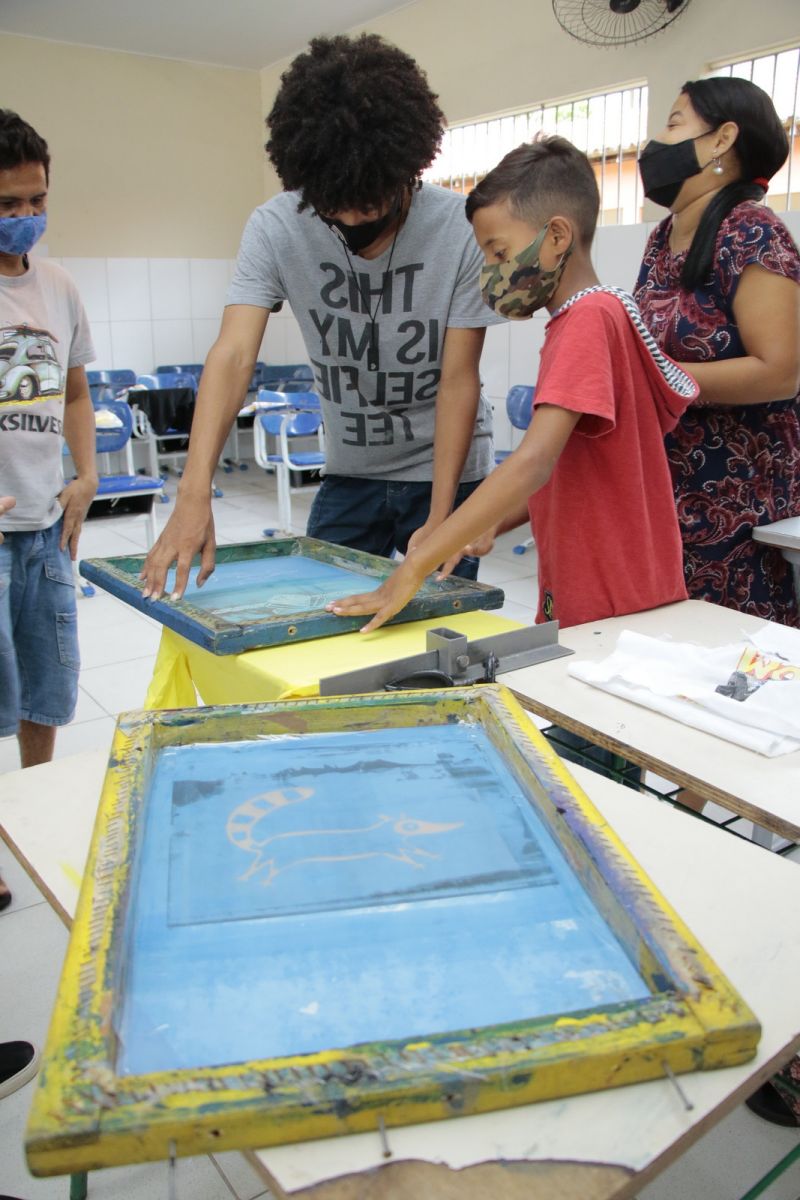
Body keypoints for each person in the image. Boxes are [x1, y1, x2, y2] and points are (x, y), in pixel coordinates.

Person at [140, 33, 502, 602]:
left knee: (433, 635)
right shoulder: (277, 225)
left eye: (374, 208)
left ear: (406, 169)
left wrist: (439, 519)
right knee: (318, 617)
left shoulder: (460, 226)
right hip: (350, 470)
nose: (358, 225)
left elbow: (459, 380)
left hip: (449, 476)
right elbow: (234, 354)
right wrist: (194, 490)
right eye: (340, 213)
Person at [329, 135, 698, 635]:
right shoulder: (595, 315)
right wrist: (484, 525)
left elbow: (532, 461)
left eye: (498, 251)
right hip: (611, 579)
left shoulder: (588, 319)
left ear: (557, 236)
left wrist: (410, 569)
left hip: (611, 594)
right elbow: (568, 468)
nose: (492, 271)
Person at [0, 111, 96, 1100]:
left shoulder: (57, 287)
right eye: (7, 205)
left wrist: (86, 474)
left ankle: (34, 823)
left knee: (47, 685)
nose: (25, 219)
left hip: (44, 529)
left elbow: (71, 388)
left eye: (36, 200)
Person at [635, 77, 800, 627]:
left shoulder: (753, 231)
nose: (658, 140)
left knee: (724, 661)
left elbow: (780, 372)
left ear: (722, 139)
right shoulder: (662, 238)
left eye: (675, 122)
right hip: (666, 489)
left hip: (735, 501)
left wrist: (663, 380)